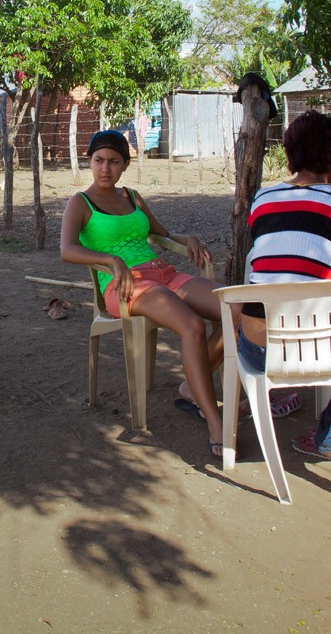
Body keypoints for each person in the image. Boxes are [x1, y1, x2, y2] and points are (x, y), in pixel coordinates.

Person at [60, 130, 226, 458]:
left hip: (163, 273)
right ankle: (215, 419)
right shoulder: (80, 202)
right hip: (124, 286)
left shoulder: (132, 197)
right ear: (89, 162)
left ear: (124, 166)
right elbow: (67, 250)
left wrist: (186, 237)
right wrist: (109, 259)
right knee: (192, 325)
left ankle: (192, 388)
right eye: (98, 160)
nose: (104, 168)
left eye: (113, 162)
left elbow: (161, 235)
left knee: (236, 310)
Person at [238, 111, 331, 461]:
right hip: (320, 349)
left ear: (289, 154)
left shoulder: (262, 200)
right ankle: (328, 438)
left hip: (258, 347)